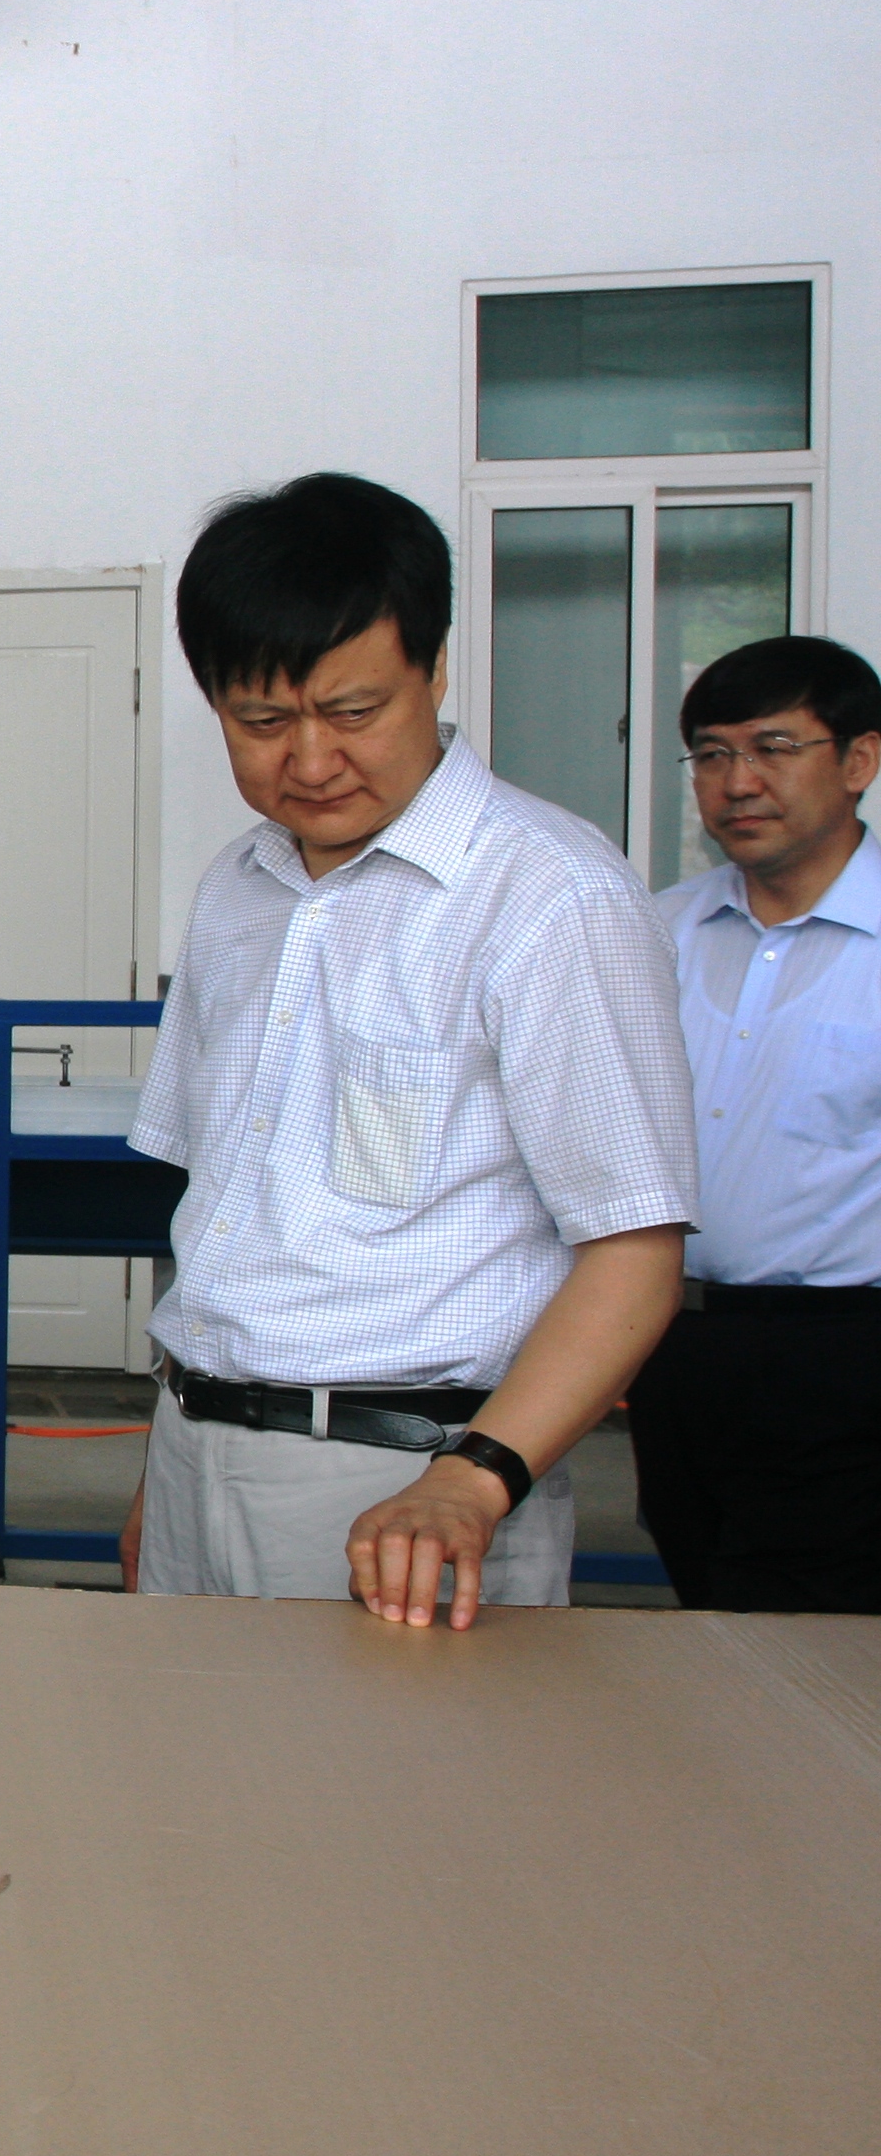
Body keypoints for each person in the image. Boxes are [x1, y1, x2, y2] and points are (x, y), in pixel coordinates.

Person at [123, 473, 696, 1630]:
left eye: (354, 711)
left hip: (413, 1482)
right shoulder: (238, 890)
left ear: (434, 669)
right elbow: (225, 1218)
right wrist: (166, 1468)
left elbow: (635, 1251)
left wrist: (473, 1483)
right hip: (199, 1456)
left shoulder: (547, 896)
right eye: (261, 721)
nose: (311, 760)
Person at [626, 634, 881, 1612]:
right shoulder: (655, 932)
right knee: (705, 1607)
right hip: (674, 1343)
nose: (738, 782)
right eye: (712, 754)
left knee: (805, 1632)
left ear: (858, 760)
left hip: (845, 1353)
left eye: (774, 748)